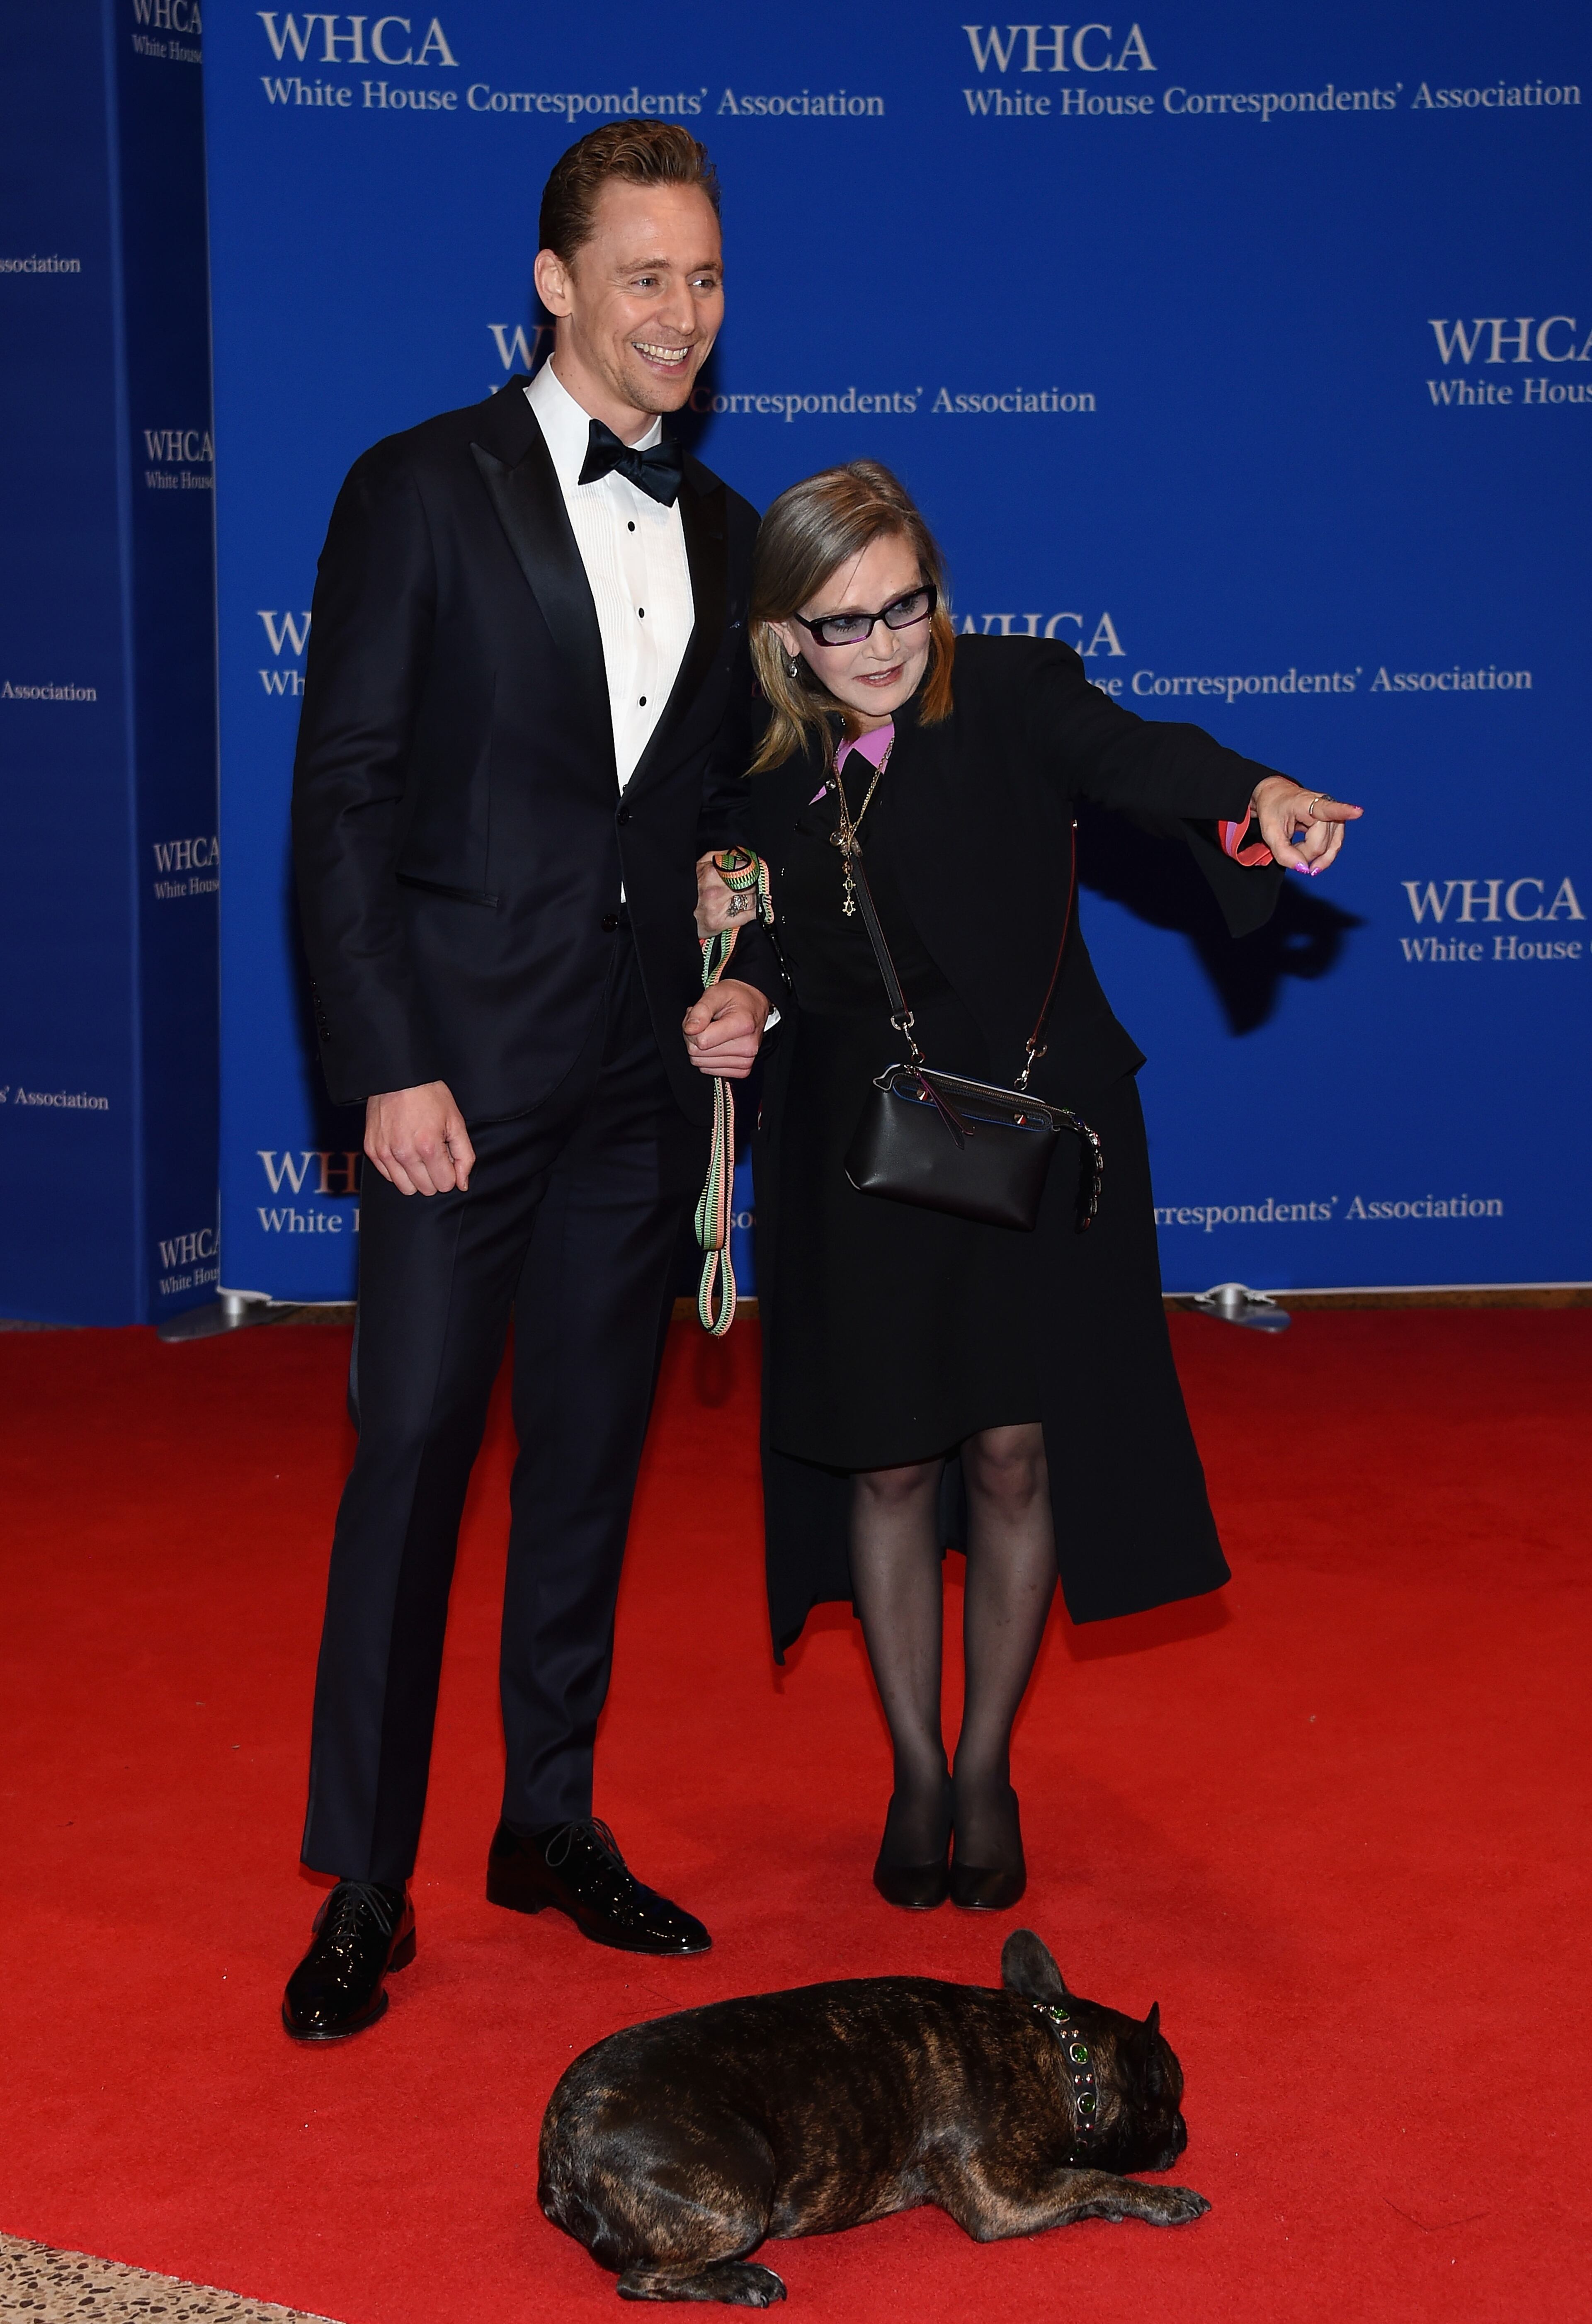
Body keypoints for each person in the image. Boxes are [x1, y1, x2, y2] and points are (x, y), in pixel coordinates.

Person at [699, 461, 1359, 1913]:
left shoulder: (1009, 692)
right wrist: (737, 998)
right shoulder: (755, 772)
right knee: (882, 1460)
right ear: (783, 636)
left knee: (1012, 1455)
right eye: (842, 623)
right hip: (860, 1156)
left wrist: (1256, 791)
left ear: (940, 591)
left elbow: (1138, 755)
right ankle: (915, 1768)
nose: (881, 646)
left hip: (1032, 1130)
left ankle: (985, 1766)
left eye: (906, 607)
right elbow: (758, 933)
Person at [282, 121, 778, 2042]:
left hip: (637, 1089)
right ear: (557, 284)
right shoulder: (415, 486)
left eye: (709, 278)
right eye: (646, 276)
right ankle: (366, 1882)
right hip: (454, 1091)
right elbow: (343, 805)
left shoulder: (727, 531)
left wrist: (739, 992)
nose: (682, 315)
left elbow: (724, 822)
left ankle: (546, 1819)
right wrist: (384, 1066)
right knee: (411, 1455)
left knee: (588, 1461)